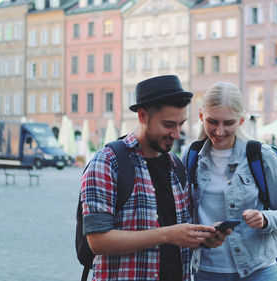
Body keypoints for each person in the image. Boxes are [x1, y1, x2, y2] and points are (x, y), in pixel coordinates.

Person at [80, 75, 225, 281]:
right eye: (168, 124)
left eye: (180, 124)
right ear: (142, 116)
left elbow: (179, 232)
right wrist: (167, 234)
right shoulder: (108, 162)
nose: (176, 134)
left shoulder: (177, 166)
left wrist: (204, 238)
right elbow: (98, 241)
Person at [182, 82, 277, 281]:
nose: (219, 131)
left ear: (241, 120)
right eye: (212, 122)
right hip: (207, 270)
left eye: (228, 123)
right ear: (201, 116)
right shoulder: (191, 156)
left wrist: (265, 218)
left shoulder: (260, 155)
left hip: (258, 270)